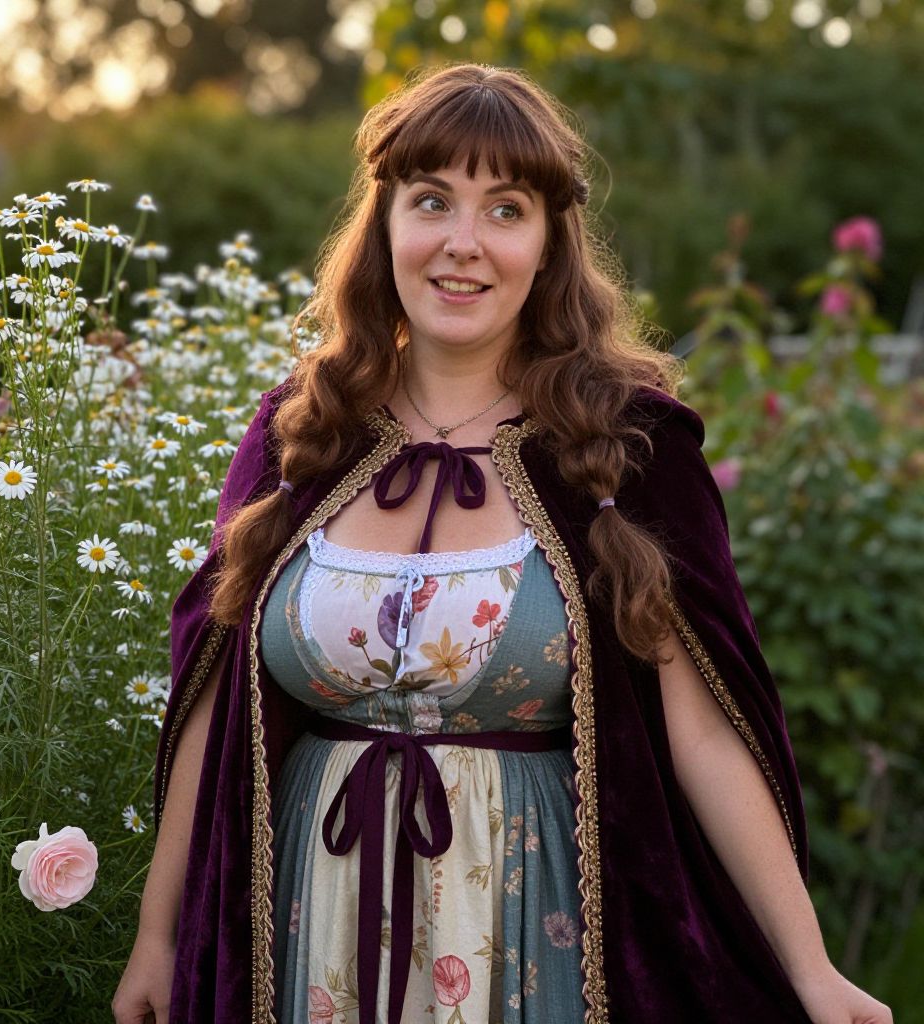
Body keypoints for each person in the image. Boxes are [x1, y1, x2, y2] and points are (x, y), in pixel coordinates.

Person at [112, 63, 894, 1024]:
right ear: (385, 223)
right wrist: (158, 940)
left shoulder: (627, 448)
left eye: (506, 209)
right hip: (311, 920)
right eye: (432, 200)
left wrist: (810, 969)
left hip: (534, 927)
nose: (462, 245)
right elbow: (214, 706)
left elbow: (706, 735)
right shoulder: (298, 433)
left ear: (549, 241)